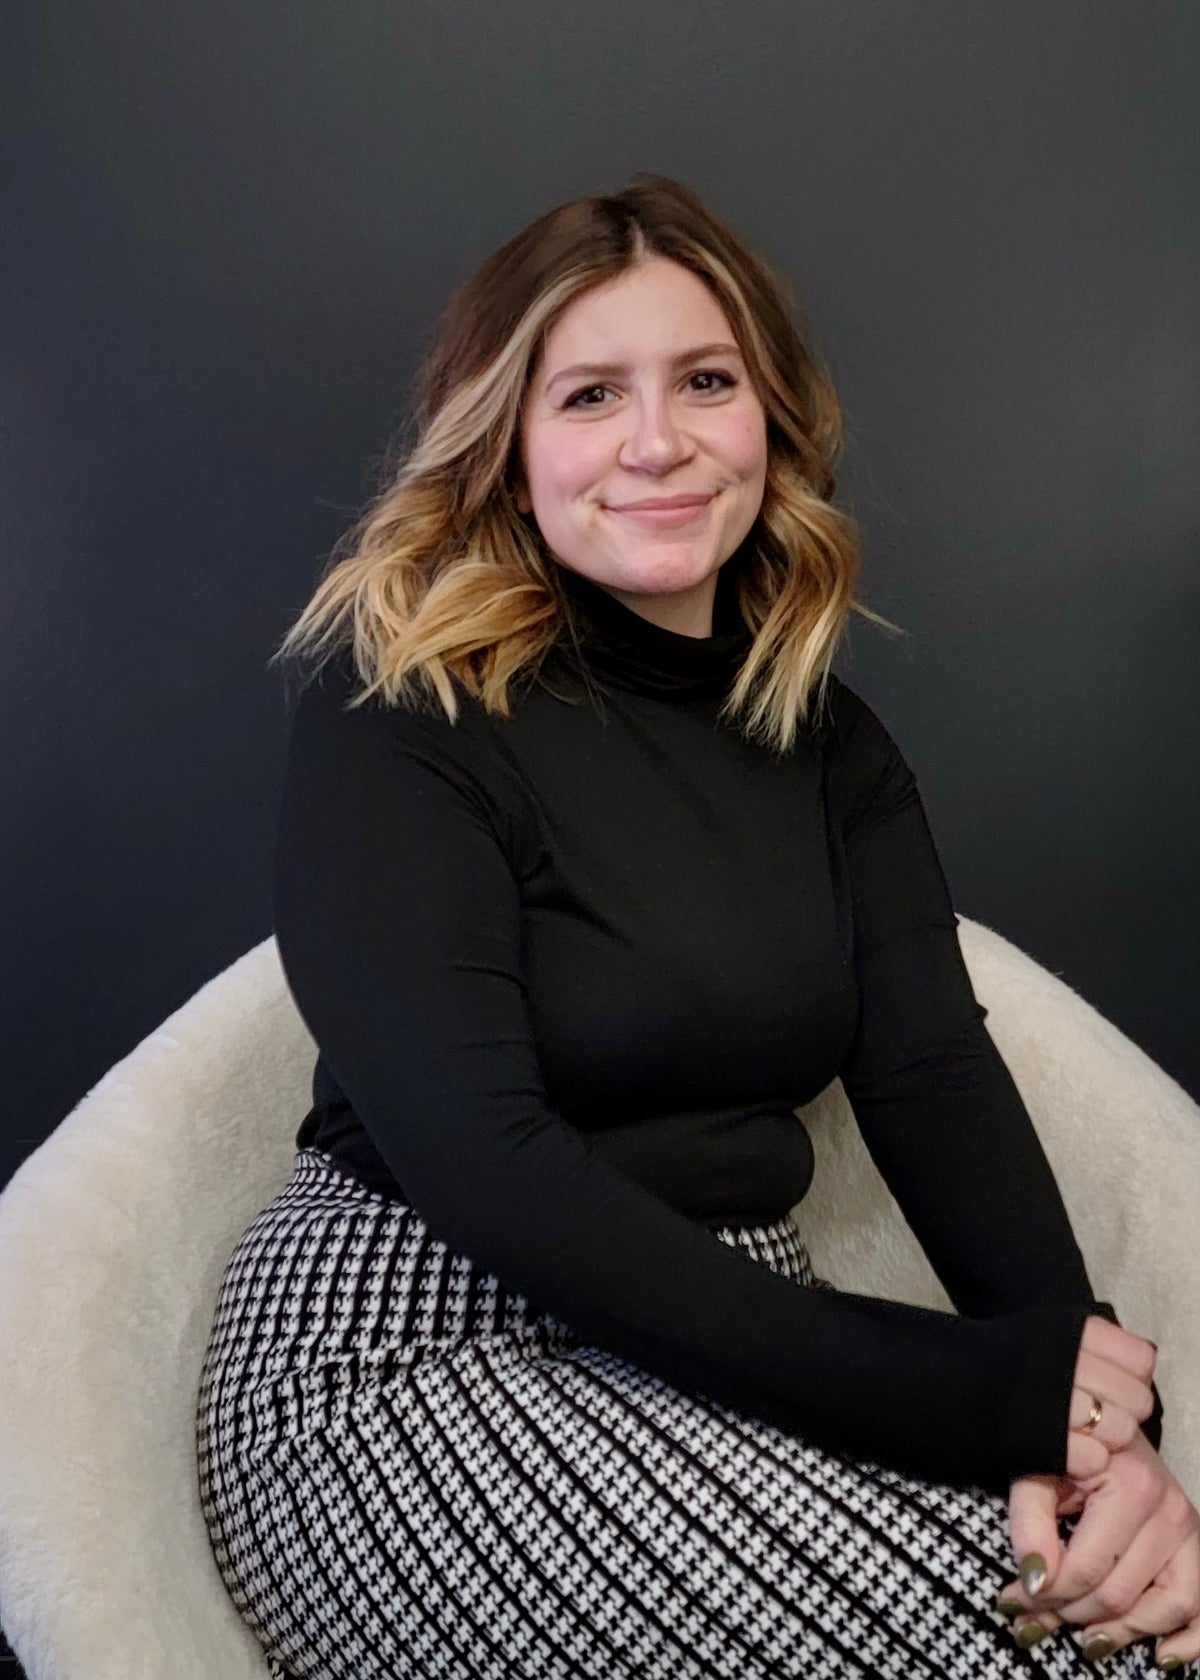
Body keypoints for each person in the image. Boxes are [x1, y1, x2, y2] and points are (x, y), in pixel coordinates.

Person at [195, 173, 1199, 1678]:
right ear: (507, 449)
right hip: (403, 1350)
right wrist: (974, 1395)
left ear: (773, 421)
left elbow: (932, 1079)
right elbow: (486, 1163)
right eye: (591, 393)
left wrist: (1099, 1432)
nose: (657, 442)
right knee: (1073, 1653)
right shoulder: (402, 704)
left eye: (705, 382)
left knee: (1138, 1599)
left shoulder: (830, 744)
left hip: (739, 1333)